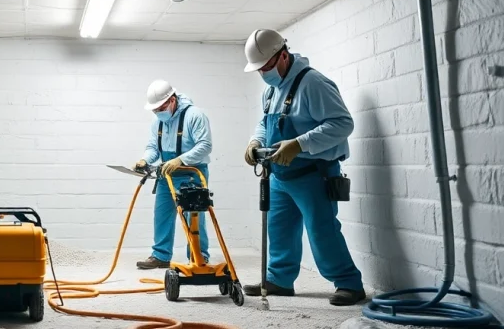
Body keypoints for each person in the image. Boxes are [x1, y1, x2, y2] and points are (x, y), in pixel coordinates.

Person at [241, 29, 365, 306]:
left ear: (283, 55)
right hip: (280, 175)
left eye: (266, 67)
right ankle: (279, 281)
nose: (263, 74)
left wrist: (299, 144)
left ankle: (348, 283)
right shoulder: (271, 89)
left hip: (313, 174)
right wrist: (255, 141)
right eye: (259, 70)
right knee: (279, 229)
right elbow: (264, 122)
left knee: (322, 231)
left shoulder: (314, 83)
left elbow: (343, 124)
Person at [134, 80, 213, 270]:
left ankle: (198, 255)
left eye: (161, 108)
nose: (158, 112)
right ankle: (161, 255)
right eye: (155, 110)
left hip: (192, 173)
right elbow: (154, 147)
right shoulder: (158, 121)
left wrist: (181, 160)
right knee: (161, 215)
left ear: (172, 100)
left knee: (193, 216)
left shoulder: (195, 115)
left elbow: (205, 145)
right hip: (166, 174)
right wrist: (145, 160)